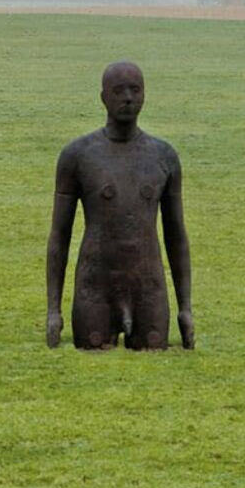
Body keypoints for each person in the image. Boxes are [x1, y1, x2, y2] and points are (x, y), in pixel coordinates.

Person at [46, 61, 193, 351]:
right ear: (103, 98)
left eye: (135, 90)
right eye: (118, 91)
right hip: (94, 287)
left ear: (145, 95)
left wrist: (185, 308)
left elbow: (176, 237)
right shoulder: (77, 156)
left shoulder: (163, 157)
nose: (128, 98)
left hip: (149, 288)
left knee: (153, 368)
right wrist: (54, 311)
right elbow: (58, 238)